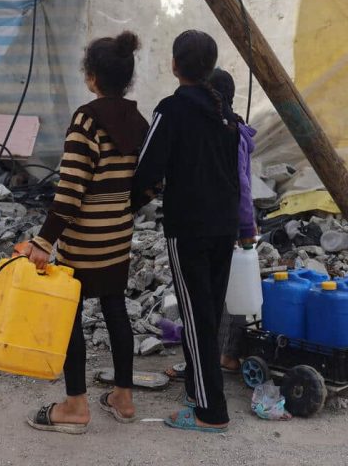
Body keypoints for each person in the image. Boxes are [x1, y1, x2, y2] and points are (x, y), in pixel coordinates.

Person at [22, 32, 149, 435]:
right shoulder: (140, 123)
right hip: (118, 237)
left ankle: (75, 405)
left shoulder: (86, 120)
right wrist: (120, 208)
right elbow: (148, 184)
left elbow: (70, 189)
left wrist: (43, 241)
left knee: (71, 317)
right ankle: (123, 398)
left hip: (84, 242)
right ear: (126, 79)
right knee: (115, 309)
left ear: (92, 77)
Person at [132, 31, 239, 433]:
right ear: (210, 67)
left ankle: (211, 412)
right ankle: (199, 387)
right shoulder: (227, 114)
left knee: (195, 316)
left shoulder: (172, 110)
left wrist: (128, 203)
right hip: (223, 224)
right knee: (207, 310)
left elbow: (146, 169)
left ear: (174, 65)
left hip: (189, 226)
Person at [209, 67, 258, 373]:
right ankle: (228, 353)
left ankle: (226, 355)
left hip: (224, 221)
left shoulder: (227, 132)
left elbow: (241, 183)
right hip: (231, 219)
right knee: (234, 288)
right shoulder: (235, 128)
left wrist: (246, 226)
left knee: (227, 291)